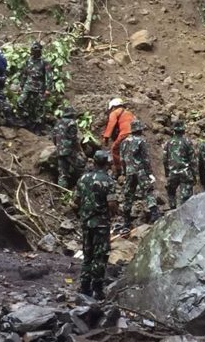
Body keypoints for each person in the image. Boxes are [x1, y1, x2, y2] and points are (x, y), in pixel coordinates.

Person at [74, 150, 118, 300]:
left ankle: (84, 286)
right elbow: (112, 203)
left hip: (86, 222)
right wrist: (112, 212)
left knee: (87, 255)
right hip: (101, 224)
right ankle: (98, 289)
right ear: (106, 163)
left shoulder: (83, 179)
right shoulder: (108, 181)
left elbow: (76, 201)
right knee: (100, 256)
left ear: (94, 162)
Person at [120, 119, 159, 227]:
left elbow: (122, 159)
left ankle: (126, 220)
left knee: (128, 194)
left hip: (129, 171)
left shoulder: (124, 142)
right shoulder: (141, 141)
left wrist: (124, 171)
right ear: (140, 129)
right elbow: (145, 159)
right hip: (140, 171)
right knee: (148, 191)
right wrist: (149, 173)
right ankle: (154, 214)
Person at [16, 42, 53, 134]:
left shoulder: (44, 62)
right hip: (28, 86)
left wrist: (48, 89)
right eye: (33, 50)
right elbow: (25, 73)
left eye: (36, 51)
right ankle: (25, 120)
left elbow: (49, 76)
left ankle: (38, 128)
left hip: (39, 88)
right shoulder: (28, 60)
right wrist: (21, 85)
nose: (34, 52)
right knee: (20, 102)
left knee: (38, 109)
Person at [163, 120, 197, 208]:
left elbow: (165, 159)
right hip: (185, 173)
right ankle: (185, 216)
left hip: (172, 173)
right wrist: (194, 174)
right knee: (186, 198)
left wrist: (167, 172)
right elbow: (193, 160)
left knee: (171, 194)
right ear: (183, 130)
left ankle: (173, 211)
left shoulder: (168, 143)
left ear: (174, 130)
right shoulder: (187, 142)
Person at [102, 98, 136, 176]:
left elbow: (111, 124)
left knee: (114, 149)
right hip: (134, 134)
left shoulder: (114, 113)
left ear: (113, 107)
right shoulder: (129, 113)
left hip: (125, 133)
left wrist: (106, 137)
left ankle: (118, 170)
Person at [52, 105, 83, 188]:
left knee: (63, 173)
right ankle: (81, 188)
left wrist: (58, 146)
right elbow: (74, 139)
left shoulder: (58, 123)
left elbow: (54, 137)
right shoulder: (72, 123)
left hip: (59, 151)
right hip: (69, 151)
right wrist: (80, 151)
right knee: (80, 168)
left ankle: (62, 191)